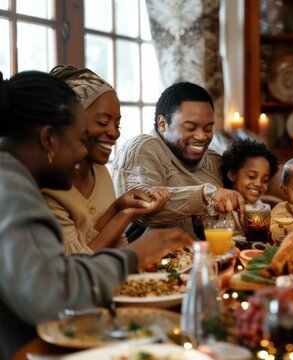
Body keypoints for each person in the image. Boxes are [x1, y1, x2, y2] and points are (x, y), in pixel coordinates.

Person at [0, 70, 192, 359]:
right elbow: (51, 293)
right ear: (49, 139)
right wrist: (134, 256)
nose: (82, 154)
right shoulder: (12, 188)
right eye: (79, 140)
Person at [42, 65, 170, 254]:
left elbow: (97, 241)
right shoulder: (48, 187)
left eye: (117, 124)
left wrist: (119, 207)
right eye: (102, 122)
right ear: (70, 122)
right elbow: (77, 265)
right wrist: (124, 214)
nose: (114, 133)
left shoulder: (99, 172)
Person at [112, 81, 245, 240]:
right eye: (190, 128)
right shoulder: (143, 148)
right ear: (162, 125)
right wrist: (205, 194)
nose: (202, 136)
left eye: (208, 128)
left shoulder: (213, 159)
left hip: (217, 258)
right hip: (157, 262)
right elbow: (140, 209)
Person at [220, 138, 279, 235]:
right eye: (252, 176)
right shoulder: (222, 207)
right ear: (232, 175)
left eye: (265, 180)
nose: (259, 184)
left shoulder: (263, 210)